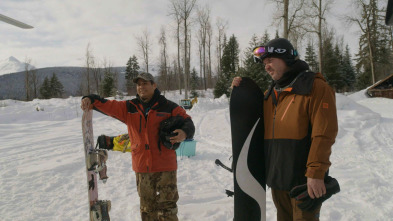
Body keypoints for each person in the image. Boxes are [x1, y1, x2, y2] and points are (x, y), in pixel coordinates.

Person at [232, 38, 338, 221]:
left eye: (270, 61)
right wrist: (242, 88)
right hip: (278, 181)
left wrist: (316, 173)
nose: (266, 67)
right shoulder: (271, 94)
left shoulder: (314, 87)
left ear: (286, 58)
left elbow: (324, 134)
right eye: (264, 63)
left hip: (304, 183)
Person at [81, 72, 195, 221]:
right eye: (139, 84)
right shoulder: (130, 108)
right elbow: (108, 105)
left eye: (145, 83)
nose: (141, 87)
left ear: (154, 85)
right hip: (142, 168)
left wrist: (184, 133)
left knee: (167, 210)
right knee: (147, 210)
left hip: (165, 169)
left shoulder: (168, 107)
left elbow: (188, 122)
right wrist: (89, 99)